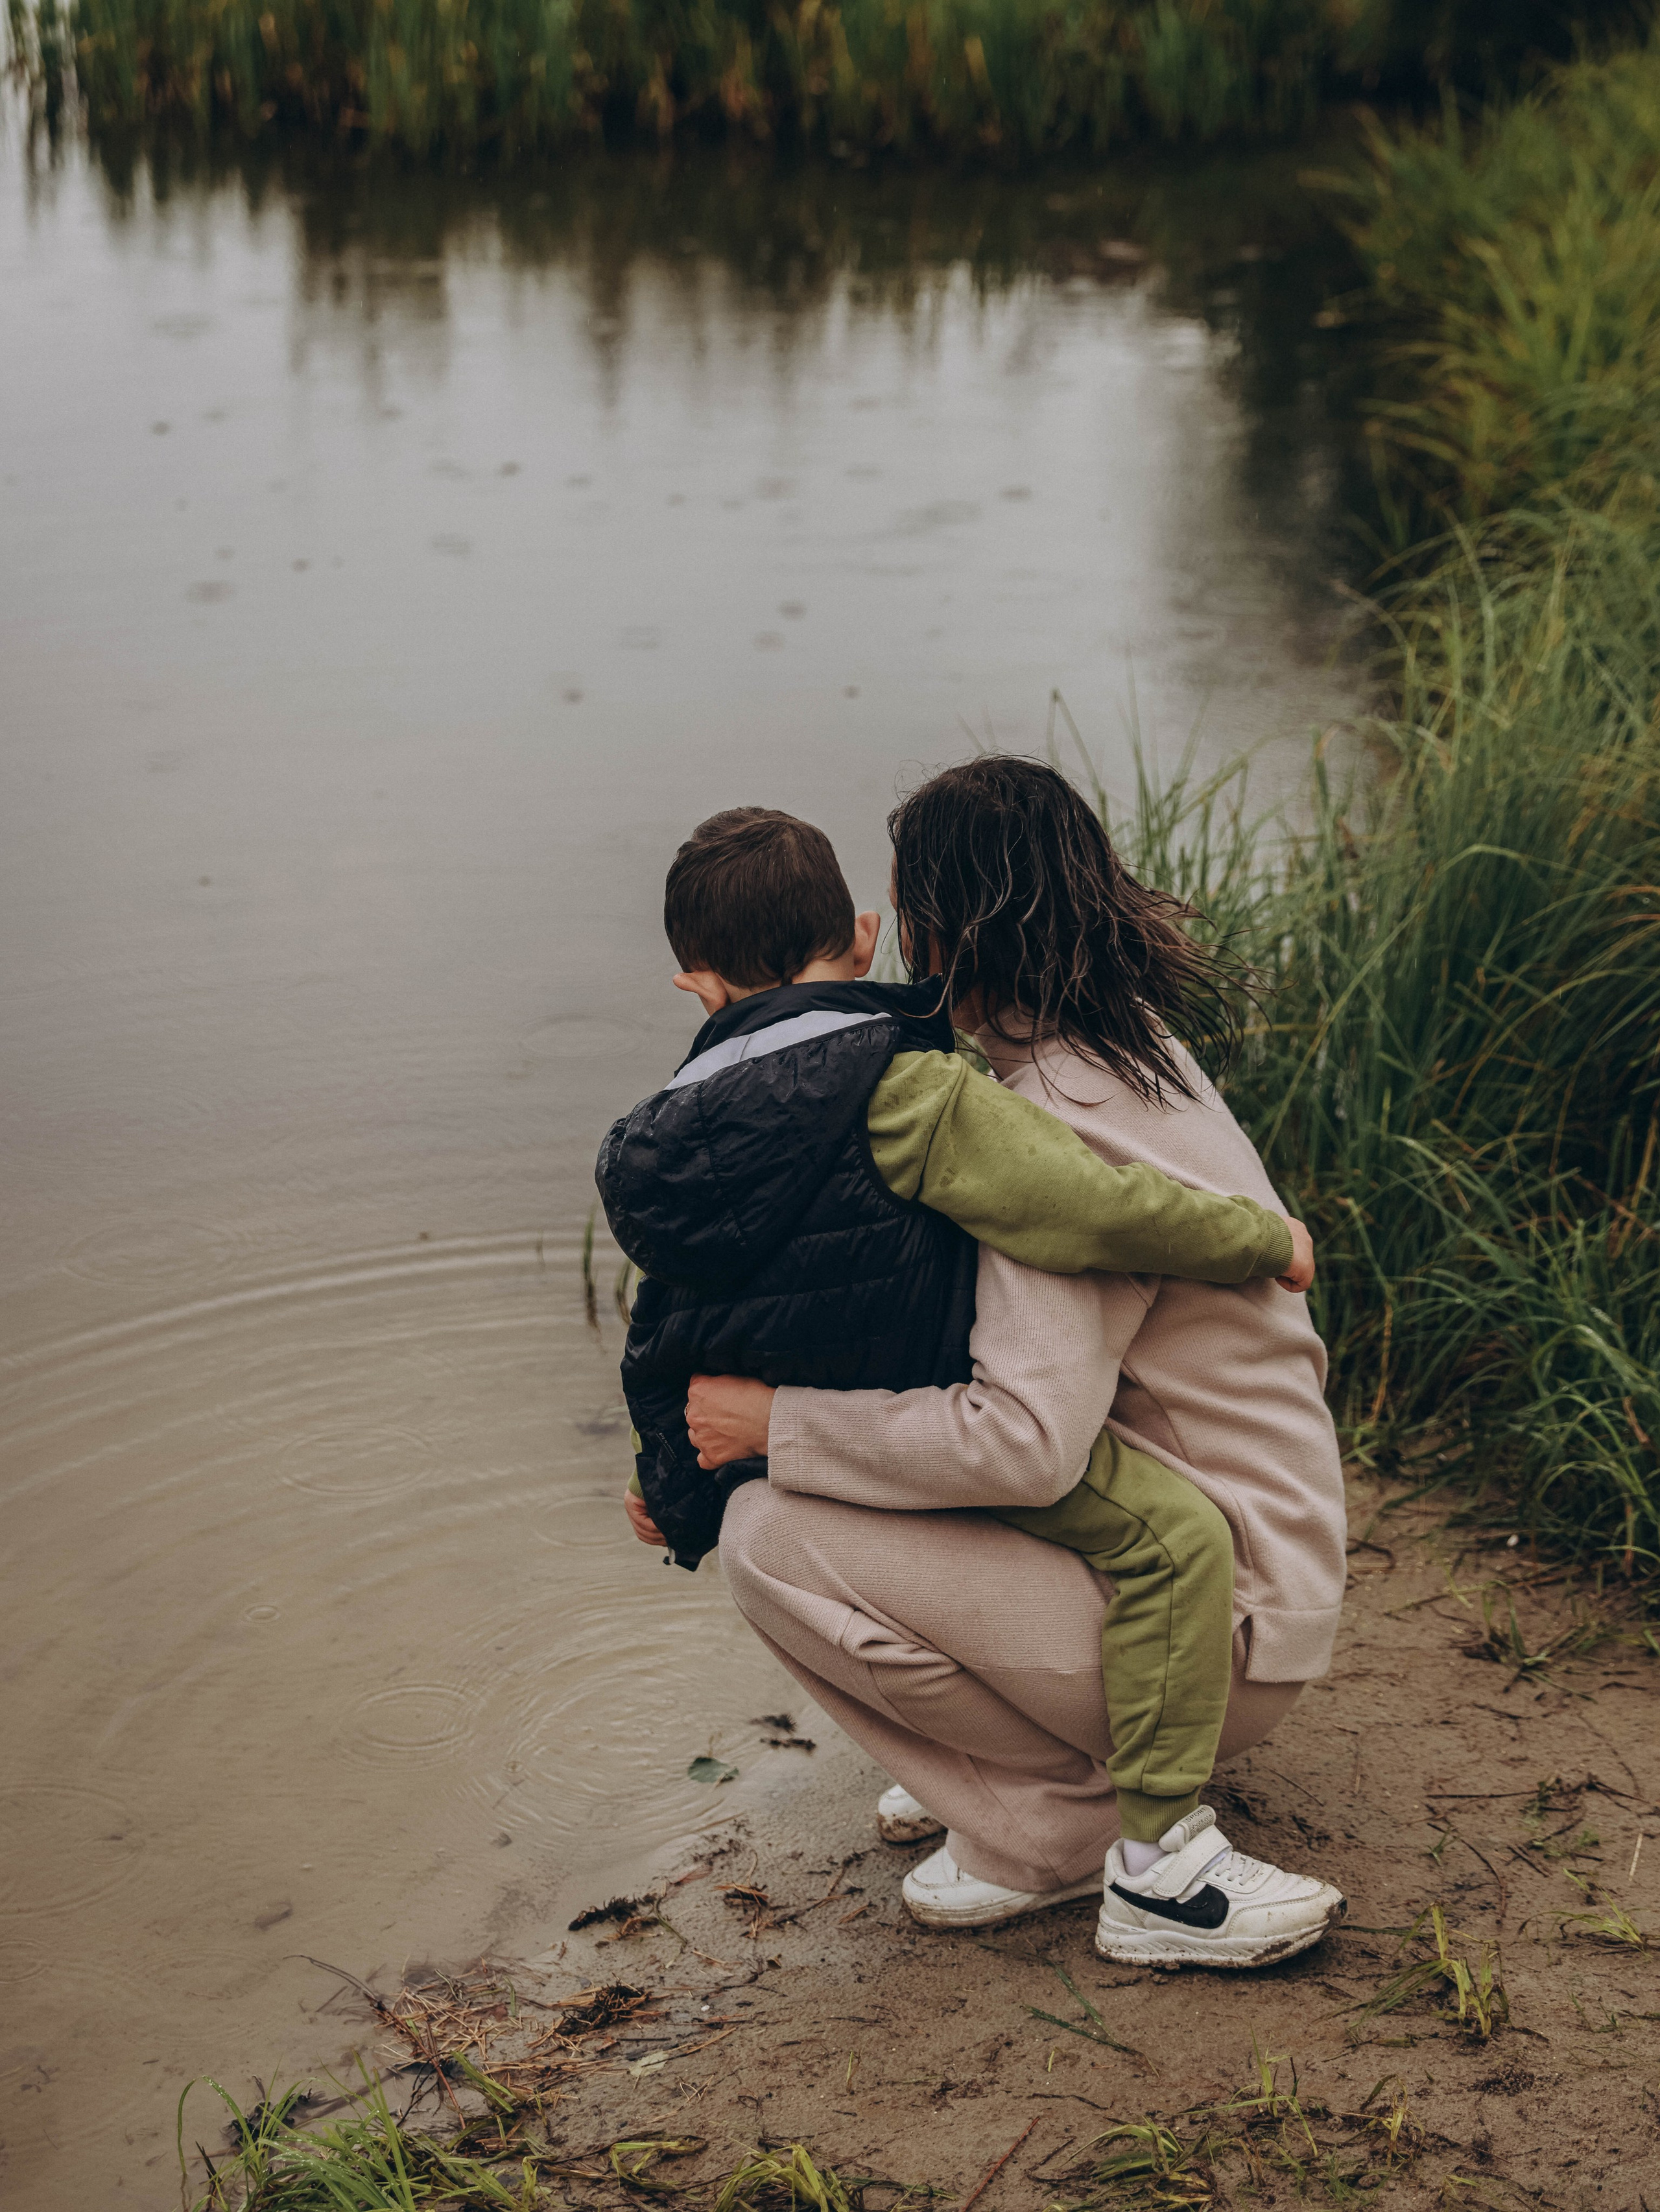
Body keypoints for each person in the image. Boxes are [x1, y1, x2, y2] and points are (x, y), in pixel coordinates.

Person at [677, 760, 1350, 1970]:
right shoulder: (1132, 1046)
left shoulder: (1046, 1126)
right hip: (1264, 1567)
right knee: (831, 1482)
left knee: (767, 1530)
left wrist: (777, 1422)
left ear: (941, 934)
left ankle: (1071, 1831)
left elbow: (1027, 1445)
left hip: (1219, 1627)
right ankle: (1022, 1792)